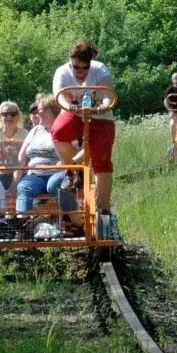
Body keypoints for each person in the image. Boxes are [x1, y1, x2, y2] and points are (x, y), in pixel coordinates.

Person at [52, 40, 115, 222]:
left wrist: (103, 106)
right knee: (59, 132)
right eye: (76, 67)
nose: (80, 72)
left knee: (102, 162)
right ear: (69, 61)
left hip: (99, 116)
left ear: (91, 63)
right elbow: (59, 95)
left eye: (84, 68)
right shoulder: (62, 72)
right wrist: (68, 107)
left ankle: (104, 211)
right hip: (75, 113)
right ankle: (71, 171)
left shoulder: (100, 69)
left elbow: (107, 93)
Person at [13, 95, 75, 216]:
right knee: (24, 186)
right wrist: (15, 180)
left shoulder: (65, 128)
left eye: (39, 111)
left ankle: (75, 220)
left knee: (54, 185)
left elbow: (83, 149)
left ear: (50, 111)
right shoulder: (35, 130)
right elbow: (22, 156)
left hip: (57, 172)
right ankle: (23, 227)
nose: (36, 115)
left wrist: (68, 161)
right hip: (35, 174)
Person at [0, 101, 26, 192]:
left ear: (18, 115)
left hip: (19, 174)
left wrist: (17, 154)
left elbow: (28, 159)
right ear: (0, 116)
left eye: (13, 114)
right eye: (5, 114)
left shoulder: (25, 134)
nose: (9, 117)